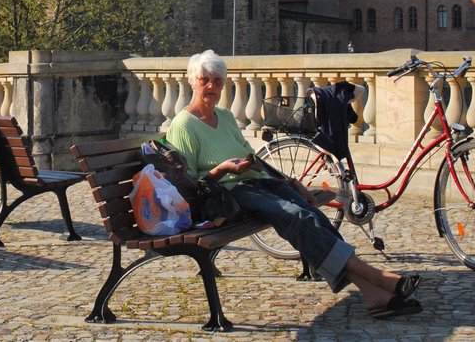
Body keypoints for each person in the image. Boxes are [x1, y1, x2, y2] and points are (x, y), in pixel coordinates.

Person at [164, 50, 423, 320]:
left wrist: (292, 182)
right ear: (192, 81)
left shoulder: (225, 117)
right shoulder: (184, 125)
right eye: (205, 80)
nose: (211, 86)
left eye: (217, 81)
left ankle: (373, 293)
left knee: (312, 215)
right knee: (297, 216)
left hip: (258, 182)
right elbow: (190, 188)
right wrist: (222, 169)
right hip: (228, 195)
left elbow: (255, 161)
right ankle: (377, 277)